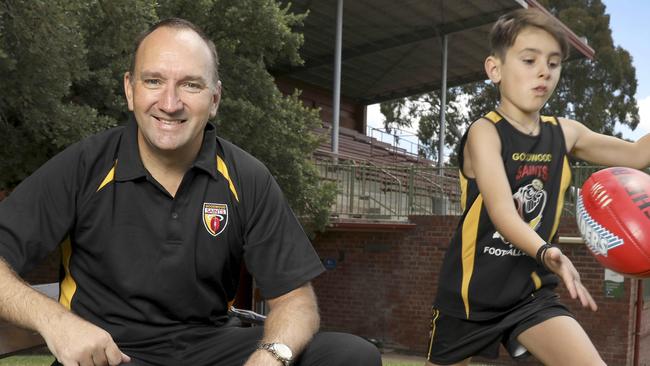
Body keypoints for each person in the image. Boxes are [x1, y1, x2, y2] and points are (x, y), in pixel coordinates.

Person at [0, 18, 381, 366]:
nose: (169, 103)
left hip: (210, 347)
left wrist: (271, 356)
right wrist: (57, 323)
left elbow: (295, 299)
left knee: (351, 356)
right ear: (130, 90)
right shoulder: (85, 165)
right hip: (111, 354)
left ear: (214, 99)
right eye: (153, 81)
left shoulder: (246, 177)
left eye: (190, 84)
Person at [427, 8, 650, 366]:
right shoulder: (484, 132)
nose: (544, 71)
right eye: (529, 60)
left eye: (554, 63)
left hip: (529, 296)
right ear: (494, 69)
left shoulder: (565, 133)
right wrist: (548, 252)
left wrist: (546, 259)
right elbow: (502, 212)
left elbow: (638, 155)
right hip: (468, 296)